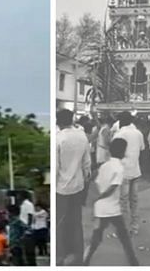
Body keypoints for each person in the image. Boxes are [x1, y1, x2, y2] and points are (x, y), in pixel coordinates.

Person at [83, 137, 139, 266]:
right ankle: (134, 263)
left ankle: (85, 261)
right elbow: (113, 186)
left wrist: (95, 197)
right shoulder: (119, 167)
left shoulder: (104, 165)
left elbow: (92, 180)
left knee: (96, 238)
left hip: (100, 209)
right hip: (112, 209)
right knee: (124, 238)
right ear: (123, 151)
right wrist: (101, 196)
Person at [55, 109, 90, 265]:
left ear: (58, 122)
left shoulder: (58, 139)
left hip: (61, 188)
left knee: (60, 222)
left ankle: (61, 255)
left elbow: (55, 168)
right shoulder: (82, 136)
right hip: (78, 185)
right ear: (72, 120)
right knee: (76, 221)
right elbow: (87, 163)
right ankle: (78, 254)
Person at [114, 111, 145, 234]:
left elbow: (115, 153)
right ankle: (135, 227)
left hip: (123, 172)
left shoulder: (120, 134)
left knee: (122, 201)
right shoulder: (138, 133)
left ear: (121, 121)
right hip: (136, 171)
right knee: (134, 200)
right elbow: (142, 148)